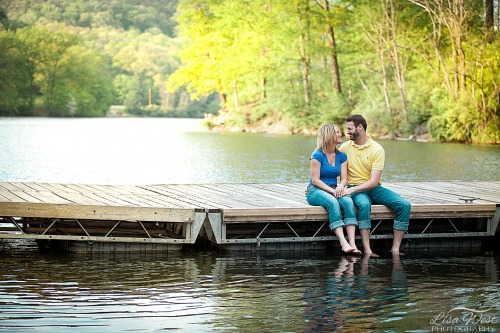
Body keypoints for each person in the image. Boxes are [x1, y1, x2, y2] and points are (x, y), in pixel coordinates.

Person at [339, 114, 411, 257]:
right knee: (364, 205)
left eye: (349, 129)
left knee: (405, 205)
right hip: (356, 188)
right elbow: (342, 176)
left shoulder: (377, 149)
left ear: (360, 127)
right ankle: (368, 250)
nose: (347, 132)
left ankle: (395, 249)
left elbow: (373, 181)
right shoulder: (345, 148)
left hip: (372, 188)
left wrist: (351, 190)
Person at [306, 124, 361, 255]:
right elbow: (315, 180)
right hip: (315, 190)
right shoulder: (317, 155)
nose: (340, 134)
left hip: (334, 189)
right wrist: (333, 192)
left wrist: (341, 187)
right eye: (337, 132)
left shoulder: (342, 156)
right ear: (329, 135)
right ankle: (343, 242)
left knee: (348, 203)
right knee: (333, 202)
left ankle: (352, 243)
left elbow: (344, 179)